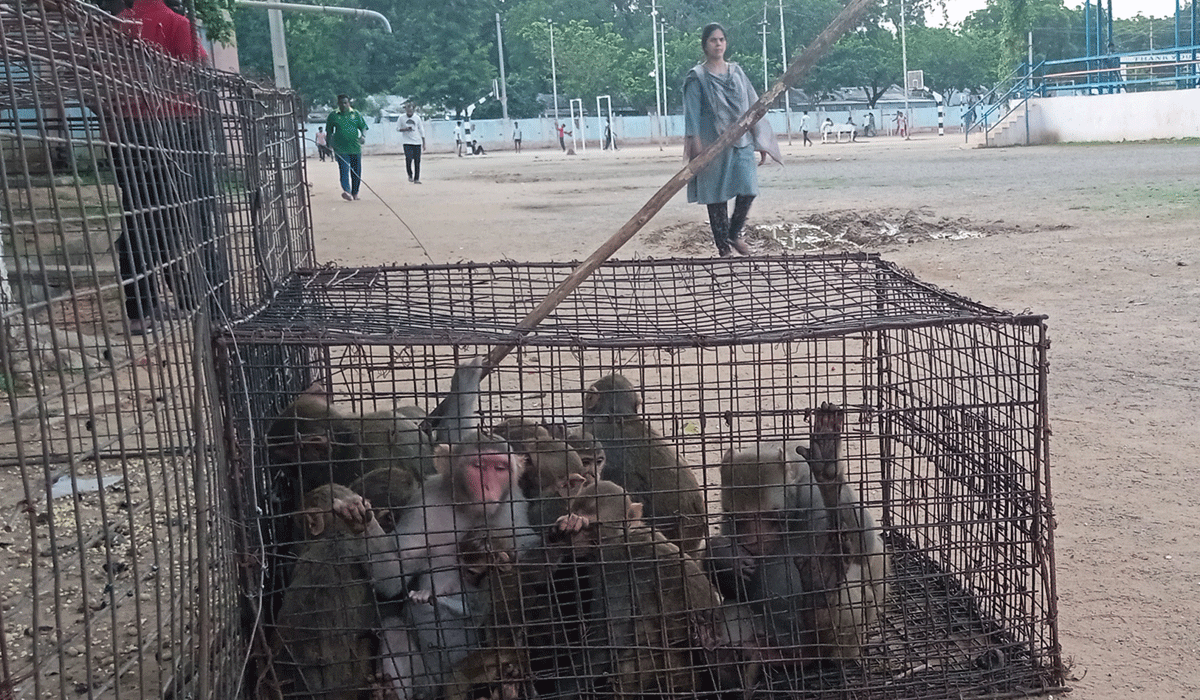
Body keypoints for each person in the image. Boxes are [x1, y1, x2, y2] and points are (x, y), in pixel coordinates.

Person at [112, 0, 214, 335]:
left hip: (127, 131)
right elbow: (197, 69)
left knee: (139, 213)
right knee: (165, 218)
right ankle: (154, 303)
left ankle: (144, 305)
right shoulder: (177, 23)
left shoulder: (119, 22)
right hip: (169, 128)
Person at [683, 24, 781, 258]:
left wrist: (760, 140)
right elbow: (692, 113)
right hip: (711, 144)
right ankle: (723, 248)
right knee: (715, 196)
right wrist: (696, 143)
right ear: (705, 45)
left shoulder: (737, 73)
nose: (718, 44)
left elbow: (751, 107)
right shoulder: (697, 77)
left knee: (748, 188)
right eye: (713, 40)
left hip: (741, 141)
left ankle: (734, 232)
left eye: (721, 39)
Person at [326, 93, 368, 200]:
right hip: (340, 149)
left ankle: (355, 193)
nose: (343, 105)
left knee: (356, 171)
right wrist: (328, 145)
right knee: (344, 170)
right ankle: (346, 191)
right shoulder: (333, 115)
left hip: (355, 148)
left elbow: (363, 127)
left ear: (349, 103)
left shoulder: (356, 114)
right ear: (338, 104)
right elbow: (329, 132)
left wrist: (363, 136)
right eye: (341, 103)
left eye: (345, 103)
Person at [397, 103, 426, 184]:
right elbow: (398, 128)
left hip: (417, 142)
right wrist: (405, 129)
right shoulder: (401, 118)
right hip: (407, 142)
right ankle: (410, 175)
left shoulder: (417, 118)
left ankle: (417, 178)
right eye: (408, 111)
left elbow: (421, 129)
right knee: (408, 159)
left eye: (411, 111)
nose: (409, 112)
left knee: (417, 161)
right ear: (406, 110)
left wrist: (424, 142)